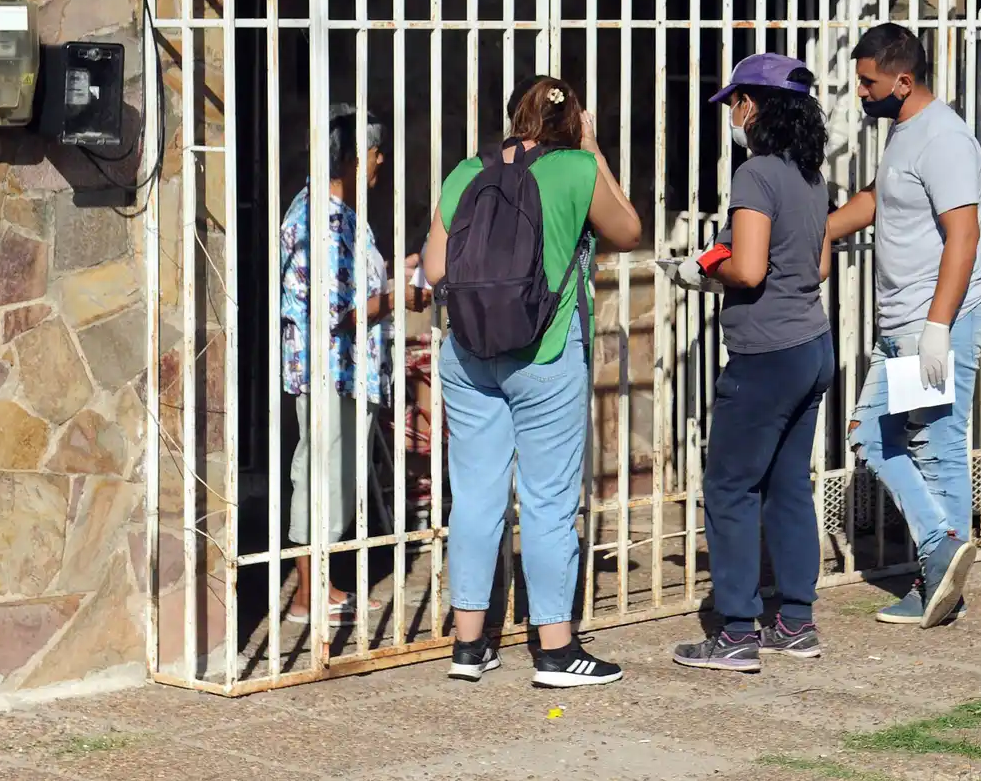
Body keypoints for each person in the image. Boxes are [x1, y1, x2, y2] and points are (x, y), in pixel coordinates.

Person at [423, 75, 641, 688]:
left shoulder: (468, 172)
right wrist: (595, 148)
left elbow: (437, 267)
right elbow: (627, 230)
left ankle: (469, 646)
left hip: (468, 354)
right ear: (572, 121)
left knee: (476, 496)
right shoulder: (575, 168)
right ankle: (554, 651)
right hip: (545, 351)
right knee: (546, 500)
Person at [827, 23, 981, 630]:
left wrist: (936, 328)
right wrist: (820, 230)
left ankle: (938, 567)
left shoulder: (944, 137)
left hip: (936, 321)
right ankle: (941, 569)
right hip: (910, 321)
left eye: (869, 82)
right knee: (891, 438)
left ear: (903, 80)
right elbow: (879, 197)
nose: (861, 92)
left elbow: (964, 233)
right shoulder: (904, 132)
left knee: (916, 442)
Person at [669, 54, 835, 673]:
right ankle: (796, 621)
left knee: (731, 487)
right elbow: (816, 266)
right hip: (812, 344)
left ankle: (735, 632)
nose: (732, 115)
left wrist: (703, 269)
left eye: (735, 102)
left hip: (765, 354)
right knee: (789, 484)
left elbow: (749, 268)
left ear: (754, 106)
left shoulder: (757, 175)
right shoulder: (811, 176)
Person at [279, 105, 414, 627]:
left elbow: (351, 285)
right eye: (377, 155)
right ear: (357, 158)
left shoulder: (334, 213)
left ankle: (323, 586)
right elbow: (337, 312)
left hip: (345, 369)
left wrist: (396, 273)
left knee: (333, 476)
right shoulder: (323, 221)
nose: (381, 166)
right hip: (329, 369)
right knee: (322, 477)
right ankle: (307, 596)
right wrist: (399, 296)